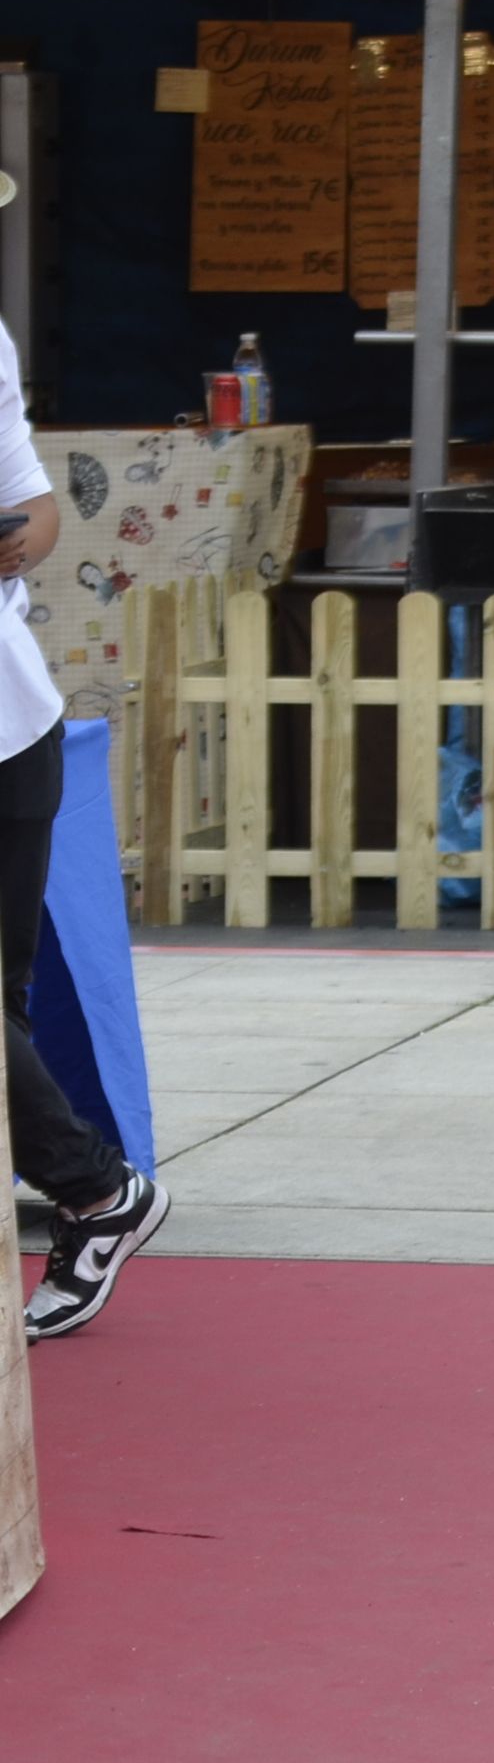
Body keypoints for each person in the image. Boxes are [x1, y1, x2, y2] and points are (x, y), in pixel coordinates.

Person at [5, 173, 165, 1343]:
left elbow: (37, 516)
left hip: (8, 727)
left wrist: (10, 548)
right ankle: (98, 1192)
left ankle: (96, 1193)